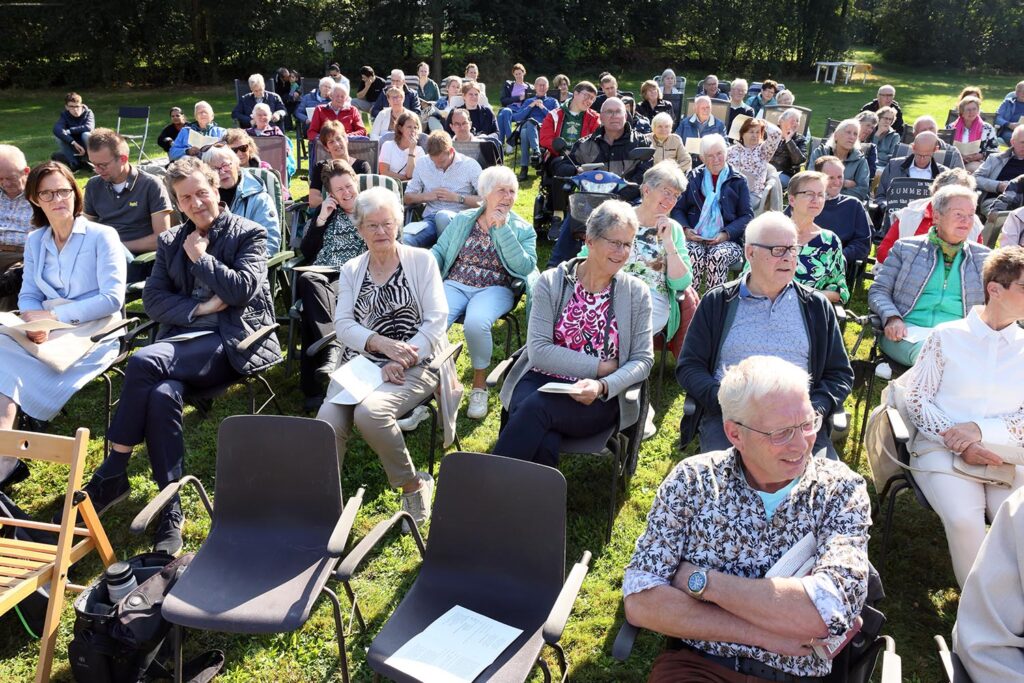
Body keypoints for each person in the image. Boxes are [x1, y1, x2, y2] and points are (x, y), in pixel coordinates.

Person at [626, 355, 869, 682]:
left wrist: (701, 581)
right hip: (700, 668)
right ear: (735, 433)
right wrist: (764, 635)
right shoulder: (692, 481)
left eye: (808, 423)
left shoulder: (840, 489)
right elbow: (641, 601)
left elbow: (824, 614)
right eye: (781, 432)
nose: (801, 444)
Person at [83, 156, 281, 554]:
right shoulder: (171, 239)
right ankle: (171, 507)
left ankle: (113, 471)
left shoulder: (249, 234)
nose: (195, 204)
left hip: (230, 343)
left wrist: (201, 259)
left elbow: (241, 291)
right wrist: (199, 309)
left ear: (216, 189)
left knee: (142, 361)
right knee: (160, 395)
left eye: (201, 193)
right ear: (176, 201)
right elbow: (153, 300)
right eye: (185, 198)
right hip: (182, 342)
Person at [316, 187, 449, 529]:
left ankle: (414, 484)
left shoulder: (422, 261)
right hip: (363, 364)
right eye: (371, 225)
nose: (380, 232)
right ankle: (324, 502)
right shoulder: (351, 268)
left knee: (371, 414)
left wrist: (401, 357)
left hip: (418, 360)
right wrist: (380, 345)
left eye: (387, 224)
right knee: (327, 420)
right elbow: (343, 325)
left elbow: (436, 322)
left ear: (398, 224)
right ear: (359, 230)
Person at [896, 246, 1024, 587]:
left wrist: (979, 430)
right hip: (940, 449)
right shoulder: (947, 336)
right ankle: (976, 614)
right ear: (995, 289)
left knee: (1016, 520)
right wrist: (958, 439)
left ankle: (1013, 609)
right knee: (965, 520)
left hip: (1007, 454)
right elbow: (918, 399)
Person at [492, 200, 654, 466]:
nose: (622, 252)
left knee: (535, 409)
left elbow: (643, 360)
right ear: (589, 240)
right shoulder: (552, 282)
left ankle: (485, 490)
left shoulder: (636, 293)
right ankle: (535, 506)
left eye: (628, 244)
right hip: (540, 378)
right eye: (615, 242)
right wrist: (600, 367)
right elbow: (540, 352)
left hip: (599, 397)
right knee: (544, 434)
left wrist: (602, 384)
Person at [678, 211, 852, 456]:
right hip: (735, 420)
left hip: (797, 422)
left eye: (792, 249)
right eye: (777, 250)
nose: (788, 258)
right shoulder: (719, 302)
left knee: (819, 491)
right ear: (750, 253)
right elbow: (689, 366)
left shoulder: (815, 306)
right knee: (732, 489)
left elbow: (839, 374)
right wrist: (725, 402)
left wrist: (814, 409)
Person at [0, 161, 126, 430]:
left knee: (8, 366)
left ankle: (10, 447)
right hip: (46, 328)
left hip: (95, 330)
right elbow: (29, 294)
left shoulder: (102, 235)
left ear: (74, 192)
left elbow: (112, 299)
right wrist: (34, 323)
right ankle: (7, 451)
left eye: (64, 191)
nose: (57, 199)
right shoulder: (36, 239)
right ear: (35, 198)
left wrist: (54, 316)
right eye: (47, 193)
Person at [431, 166, 537, 419]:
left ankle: (479, 387)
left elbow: (525, 266)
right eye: (502, 190)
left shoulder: (523, 229)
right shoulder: (463, 220)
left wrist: (503, 230)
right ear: (486, 193)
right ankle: (436, 384)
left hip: (495, 287)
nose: (508, 197)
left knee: (476, 323)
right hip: (456, 282)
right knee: (433, 322)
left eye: (512, 191)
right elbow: (440, 250)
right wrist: (423, 264)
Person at [868, 185, 989, 366]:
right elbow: (878, 290)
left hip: (959, 336)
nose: (966, 220)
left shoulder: (983, 258)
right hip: (907, 333)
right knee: (934, 354)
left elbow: (994, 304)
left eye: (971, 214)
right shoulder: (906, 248)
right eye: (958, 214)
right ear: (937, 216)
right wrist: (892, 317)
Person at [581, 161, 694, 343]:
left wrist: (668, 243)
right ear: (647, 190)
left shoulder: (673, 230)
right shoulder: (619, 218)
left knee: (622, 332)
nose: (671, 200)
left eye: (676, 196)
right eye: (666, 192)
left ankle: (610, 366)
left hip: (652, 299)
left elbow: (681, 283)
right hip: (608, 290)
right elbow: (585, 256)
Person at [548, 97, 655, 266]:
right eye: (609, 112)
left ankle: (638, 265)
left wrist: (617, 196)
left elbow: (645, 176)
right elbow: (563, 167)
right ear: (601, 117)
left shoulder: (641, 142)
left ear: (625, 115)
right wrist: (577, 170)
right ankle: (555, 269)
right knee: (573, 216)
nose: (614, 116)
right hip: (590, 200)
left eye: (618, 111)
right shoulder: (585, 144)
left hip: (627, 201)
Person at [297, 160, 364, 409]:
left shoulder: (370, 209)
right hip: (322, 275)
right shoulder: (326, 213)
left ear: (356, 182)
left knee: (310, 311)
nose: (346, 193)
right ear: (331, 194)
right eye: (339, 190)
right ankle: (332, 347)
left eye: (349, 186)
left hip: (352, 276)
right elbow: (306, 250)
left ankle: (312, 390)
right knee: (309, 279)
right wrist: (322, 218)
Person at [953, 485, 1024, 678]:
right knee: (963, 521)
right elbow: (985, 644)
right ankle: (969, 591)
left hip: (1009, 462)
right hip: (952, 461)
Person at [670, 134, 753, 292]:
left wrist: (726, 234)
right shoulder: (693, 177)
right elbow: (678, 209)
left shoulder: (738, 180)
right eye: (710, 156)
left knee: (717, 255)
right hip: (695, 236)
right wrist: (686, 230)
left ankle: (714, 304)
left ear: (726, 153)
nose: (716, 159)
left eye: (719, 154)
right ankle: (689, 303)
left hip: (727, 240)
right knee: (692, 252)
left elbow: (747, 216)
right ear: (702, 158)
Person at [83, 129, 174, 260]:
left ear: (123, 159)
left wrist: (116, 247)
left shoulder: (151, 185)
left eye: (102, 165)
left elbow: (161, 238)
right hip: (101, 254)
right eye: (94, 164)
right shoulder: (93, 185)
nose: (97, 171)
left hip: (138, 259)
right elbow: (86, 230)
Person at [876, 168, 984, 264]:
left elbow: (977, 262)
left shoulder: (973, 224)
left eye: (965, 196)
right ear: (936, 191)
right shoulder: (910, 215)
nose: (960, 201)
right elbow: (883, 253)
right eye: (953, 195)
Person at [778, 171, 849, 303]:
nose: (816, 200)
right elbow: (749, 279)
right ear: (792, 199)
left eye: (821, 195)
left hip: (806, 314)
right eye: (809, 194)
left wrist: (809, 296)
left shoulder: (829, 241)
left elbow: (840, 291)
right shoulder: (771, 233)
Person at [403, 131, 482, 248]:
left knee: (443, 216)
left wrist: (458, 198)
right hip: (430, 220)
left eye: (441, 161)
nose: (437, 166)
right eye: (433, 161)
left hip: (460, 220)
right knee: (404, 239)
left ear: (451, 151)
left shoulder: (470, 165)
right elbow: (407, 198)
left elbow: (486, 200)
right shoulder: (423, 163)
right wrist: (426, 196)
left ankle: (443, 257)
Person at [201, 146, 280, 254]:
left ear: (237, 164)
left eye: (225, 165)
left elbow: (270, 243)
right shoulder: (204, 200)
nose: (222, 171)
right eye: (214, 169)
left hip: (248, 265)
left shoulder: (259, 199)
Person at [812, 156, 871, 271]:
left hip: (836, 265)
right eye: (831, 178)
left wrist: (839, 256)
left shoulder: (853, 205)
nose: (837, 182)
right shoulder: (805, 201)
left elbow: (862, 244)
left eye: (840, 177)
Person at [874, 131, 948, 216]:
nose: (921, 159)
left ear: (936, 150)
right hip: (896, 219)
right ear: (913, 148)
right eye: (918, 155)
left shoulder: (943, 174)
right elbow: (880, 196)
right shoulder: (893, 166)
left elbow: (946, 204)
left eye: (926, 156)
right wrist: (887, 207)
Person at [308, 120, 371, 209]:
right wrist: (343, 202)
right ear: (326, 148)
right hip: (329, 215)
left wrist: (334, 201)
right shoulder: (321, 167)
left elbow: (368, 198)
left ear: (346, 139)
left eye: (338, 139)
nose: (336, 144)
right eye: (331, 142)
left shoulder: (362, 166)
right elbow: (313, 200)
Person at [807, 119, 871, 201]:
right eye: (848, 132)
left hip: (846, 204)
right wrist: (844, 183)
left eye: (855, 134)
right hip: (819, 200)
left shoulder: (860, 160)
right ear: (836, 135)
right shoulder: (820, 152)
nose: (852, 137)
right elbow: (811, 180)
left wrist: (836, 196)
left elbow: (862, 191)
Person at [510, 76, 558, 180]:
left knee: (525, 130)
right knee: (527, 127)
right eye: (539, 85)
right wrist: (531, 106)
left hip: (545, 130)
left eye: (544, 85)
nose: (541, 87)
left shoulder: (553, 101)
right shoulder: (528, 101)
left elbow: (556, 118)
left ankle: (524, 168)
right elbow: (516, 117)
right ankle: (537, 152)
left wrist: (542, 108)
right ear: (535, 87)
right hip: (530, 129)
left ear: (547, 87)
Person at [726, 118, 782, 207]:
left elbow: (777, 133)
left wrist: (763, 122)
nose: (755, 135)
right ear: (742, 134)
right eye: (751, 132)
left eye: (758, 132)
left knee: (738, 205)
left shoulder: (763, 151)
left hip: (753, 194)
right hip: (732, 190)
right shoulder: (730, 151)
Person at [539, 81, 599, 160]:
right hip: (557, 157)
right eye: (587, 96)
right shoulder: (554, 115)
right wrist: (562, 150)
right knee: (567, 168)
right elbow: (545, 138)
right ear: (575, 93)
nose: (589, 101)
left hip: (583, 159)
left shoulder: (594, 118)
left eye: (592, 98)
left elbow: (597, 141)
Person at [0, 145, 33, 284]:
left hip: (21, 256)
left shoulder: (40, 196)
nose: (5, 183)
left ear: (26, 172)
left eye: (10, 178)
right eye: (0, 178)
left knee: (12, 281)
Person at [974, 125, 1024, 214]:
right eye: (1023, 142)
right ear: (1012, 142)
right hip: (995, 200)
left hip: (1021, 204)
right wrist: (998, 186)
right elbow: (975, 178)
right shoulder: (996, 159)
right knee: (1001, 217)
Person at [244, 103, 296, 179]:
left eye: (265, 114)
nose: (262, 117)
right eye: (259, 115)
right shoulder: (246, 133)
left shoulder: (276, 130)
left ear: (270, 117)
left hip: (273, 163)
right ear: (253, 117)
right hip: (253, 164)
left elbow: (286, 150)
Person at [947, 95, 999, 172]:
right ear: (962, 112)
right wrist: (959, 156)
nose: (971, 112)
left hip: (976, 162)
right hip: (955, 162)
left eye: (974, 109)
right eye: (968, 110)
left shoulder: (987, 128)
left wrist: (981, 155)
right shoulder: (951, 128)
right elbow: (944, 148)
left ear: (978, 110)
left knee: (973, 169)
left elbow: (995, 150)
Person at [51, 93, 95, 172]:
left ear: (81, 105)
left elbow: (88, 127)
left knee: (86, 134)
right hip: (73, 146)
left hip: (88, 146)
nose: (75, 109)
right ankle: (74, 165)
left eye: (77, 106)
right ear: (66, 107)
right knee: (58, 137)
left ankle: (93, 161)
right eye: (71, 107)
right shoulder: (64, 115)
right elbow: (56, 129)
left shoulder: (88, 113)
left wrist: (70, 130)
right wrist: (73, 142)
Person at [496, 63, 535, 152]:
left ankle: (500, 144)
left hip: (521, 111)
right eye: (516, 74)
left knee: (503, 114)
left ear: (523, 73)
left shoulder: (530, 87)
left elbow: (531, 101)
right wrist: (518, 98)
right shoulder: (509, 85)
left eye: (520, 73)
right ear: (513, 75)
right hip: (510, 109)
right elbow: (503, 100)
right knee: (506, 111)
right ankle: (510, 142)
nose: (518, 76)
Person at [378, 112, 424, 182]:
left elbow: (410, 175)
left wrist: (411, 151)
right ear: (400, 128)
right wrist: (404, 178)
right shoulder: (388, 145)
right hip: (389, 185)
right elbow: (384, 172)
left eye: (415, 127)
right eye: (409, 127)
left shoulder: (419, 150)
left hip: (409, 189)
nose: (413, 131)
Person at [769, 108, 807, 188]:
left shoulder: (800, 139)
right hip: (766, 168)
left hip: (785, 173)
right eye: (792, 120)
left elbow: (799, 160)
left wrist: (788, 140)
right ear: (781, 121)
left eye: (797, 121)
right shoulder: (770, 133)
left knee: (774, 181)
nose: (795, 123)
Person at [995, 81, 1024, 145]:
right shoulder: (1007, 103)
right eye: (1020, 91)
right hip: (1009, 130)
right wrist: (1009, 124)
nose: (1023, 93)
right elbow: (997, 117)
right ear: (1016, 92)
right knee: (1017, 140)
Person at [853, 111, 880, 178]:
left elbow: (871, 174)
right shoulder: (840, 142)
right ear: (857, 123)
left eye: (872, 128)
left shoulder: (870, 148)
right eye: (868, 125)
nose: (869, 130)